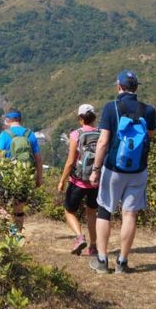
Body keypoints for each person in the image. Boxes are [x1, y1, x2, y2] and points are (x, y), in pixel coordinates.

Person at [87, 70, 156, 275]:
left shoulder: (111, 108)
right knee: (130, 214)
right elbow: (150, 137)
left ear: (119, 87)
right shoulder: (149, 110)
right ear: (136, 88)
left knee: (105, 211)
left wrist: (96, 170)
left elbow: (103, 142)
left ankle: (101, 260)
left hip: (113, 169)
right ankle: (122, 262)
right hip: (138, 169)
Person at [57, 103, 101, 256]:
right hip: (96, 182)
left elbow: (70, 161)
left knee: (69, 211)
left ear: (80, 118)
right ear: (94, 117)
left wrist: (62, 180)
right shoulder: (102, 133)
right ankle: (93, 246)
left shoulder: (76, 134)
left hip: (78, 181)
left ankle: (80, 237)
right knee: (92, 213)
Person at [0, 110, 43, 232]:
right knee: (19, 209)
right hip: (25, 177)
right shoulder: (30, 134)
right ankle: (17, 236)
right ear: (20, 120)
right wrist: (39, 177)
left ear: (8, 120)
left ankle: (10, 231)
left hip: (7, 177)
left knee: (1, 206)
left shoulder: (4, 135)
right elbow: (38, 158)